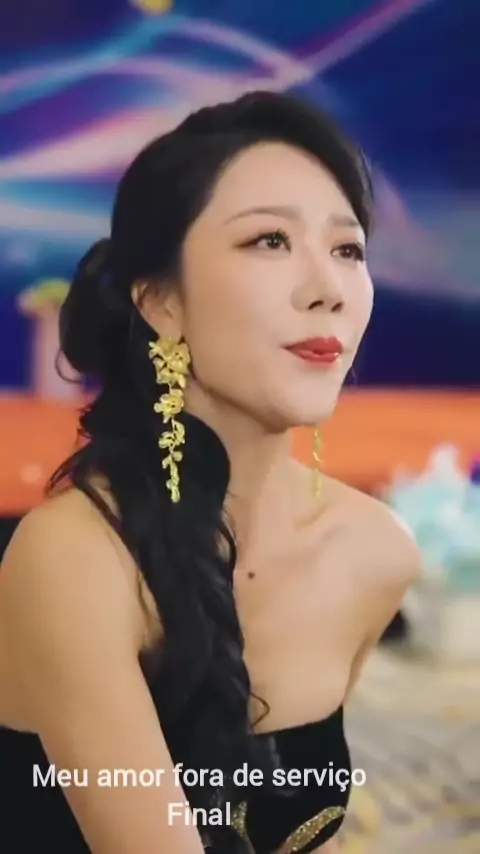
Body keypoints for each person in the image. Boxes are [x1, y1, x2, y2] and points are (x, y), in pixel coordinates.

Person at [0, 91, 420, 854]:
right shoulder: (75, 560)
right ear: (161, 301)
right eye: (269, 240)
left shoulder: (375, 552)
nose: (327, 287)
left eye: (348, 250)